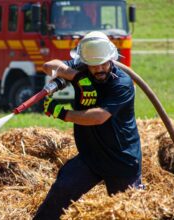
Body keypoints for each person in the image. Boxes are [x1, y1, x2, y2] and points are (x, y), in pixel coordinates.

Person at [34, 31, 143, 219]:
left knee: (127, 212)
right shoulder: (82, 70)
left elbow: (98, 117)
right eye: (93, 65)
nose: (99, 69)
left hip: (121, 161)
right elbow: (48, 66)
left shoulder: (122, 83)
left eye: (103, 63)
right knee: (61, 190)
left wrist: (63, 113)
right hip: (90, 157)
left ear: (111, 58)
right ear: (85, 63)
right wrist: (77, 78)